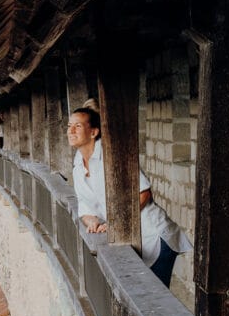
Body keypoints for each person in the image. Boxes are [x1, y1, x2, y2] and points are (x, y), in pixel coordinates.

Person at [67, 105, 192, 287]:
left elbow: (143, 192)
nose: (70, 130)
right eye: (69, 125)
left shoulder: (113, 155)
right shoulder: (78, 164)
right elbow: (85, 207)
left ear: (93, 132)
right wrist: (91, 222)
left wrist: (116, 222)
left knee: (153, 300)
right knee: (142, 297)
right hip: (131, 239)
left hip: (153, 235)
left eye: (77, 126)